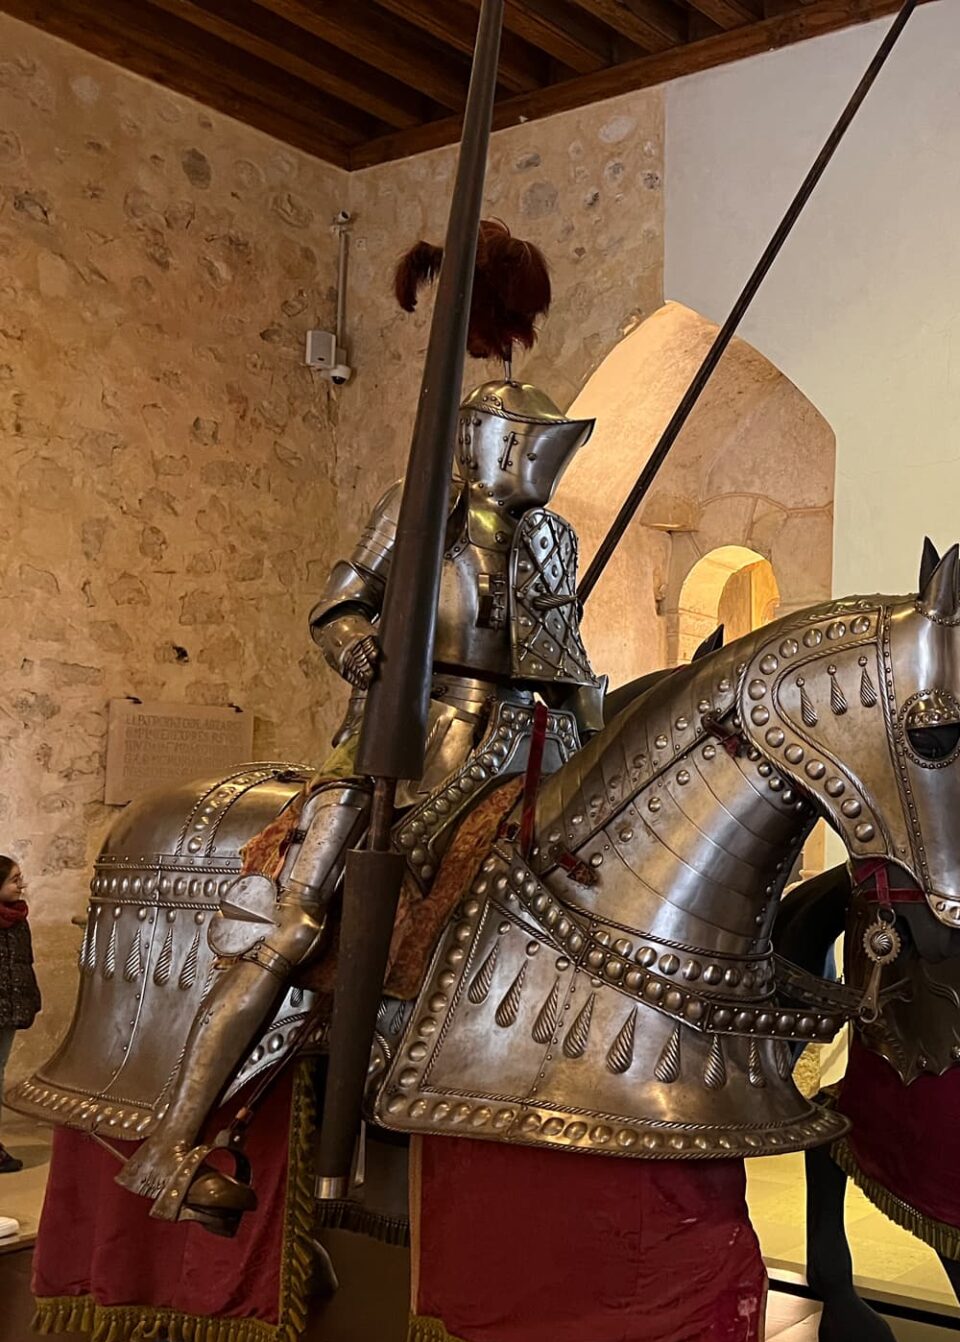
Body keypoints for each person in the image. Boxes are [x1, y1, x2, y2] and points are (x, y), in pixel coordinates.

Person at [114, 224, 601, 1228]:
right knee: (294, 925)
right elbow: (338, 604)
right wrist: (357, 649)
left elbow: (563, 657)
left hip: (520, 736)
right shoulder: (413, 509)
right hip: (401, 733)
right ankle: (173, 1143)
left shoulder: (553, 539)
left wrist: (599, 714)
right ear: (494, 445)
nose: (545, 468)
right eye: (534, 448)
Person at [0, 854, 41, 1175]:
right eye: (14, 879)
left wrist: (28, 1001)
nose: (21, 884)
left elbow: (22, 965)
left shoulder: (17, 917)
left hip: (9, 1010)